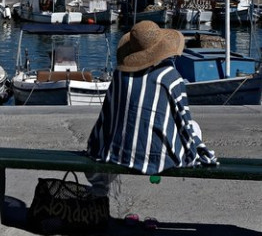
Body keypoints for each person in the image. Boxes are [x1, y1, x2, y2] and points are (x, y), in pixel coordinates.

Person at [86, 20, 217, 195]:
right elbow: (184, 121)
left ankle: (101, 189)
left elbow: (105, 119)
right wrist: (197, 153)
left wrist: (95, 148)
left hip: (119, 154)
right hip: (161, 157)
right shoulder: (170, 77)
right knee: (195, 127)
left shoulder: (119, 76)